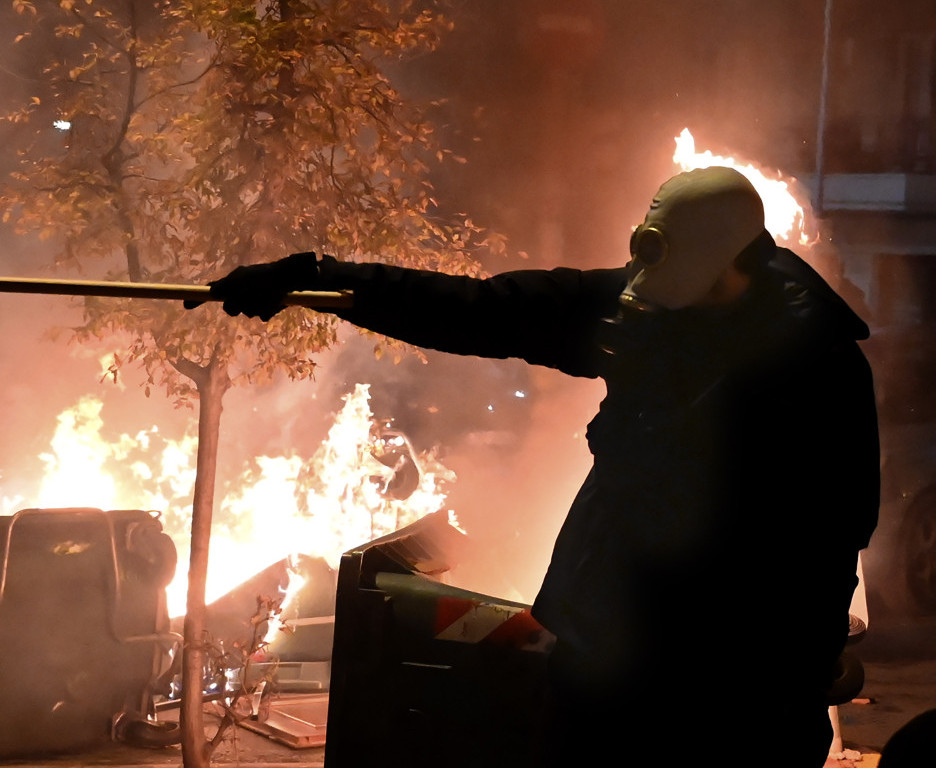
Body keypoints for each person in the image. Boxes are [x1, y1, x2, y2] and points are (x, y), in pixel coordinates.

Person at [190, 166, 880, 767]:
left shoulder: (813, 367)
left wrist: (800, 673)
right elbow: (485, 311)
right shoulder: (654, 309)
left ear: (732, 266)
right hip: (605, 662)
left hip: (731, 696)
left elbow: (833, 532)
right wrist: (314, 281)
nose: (641, 287)